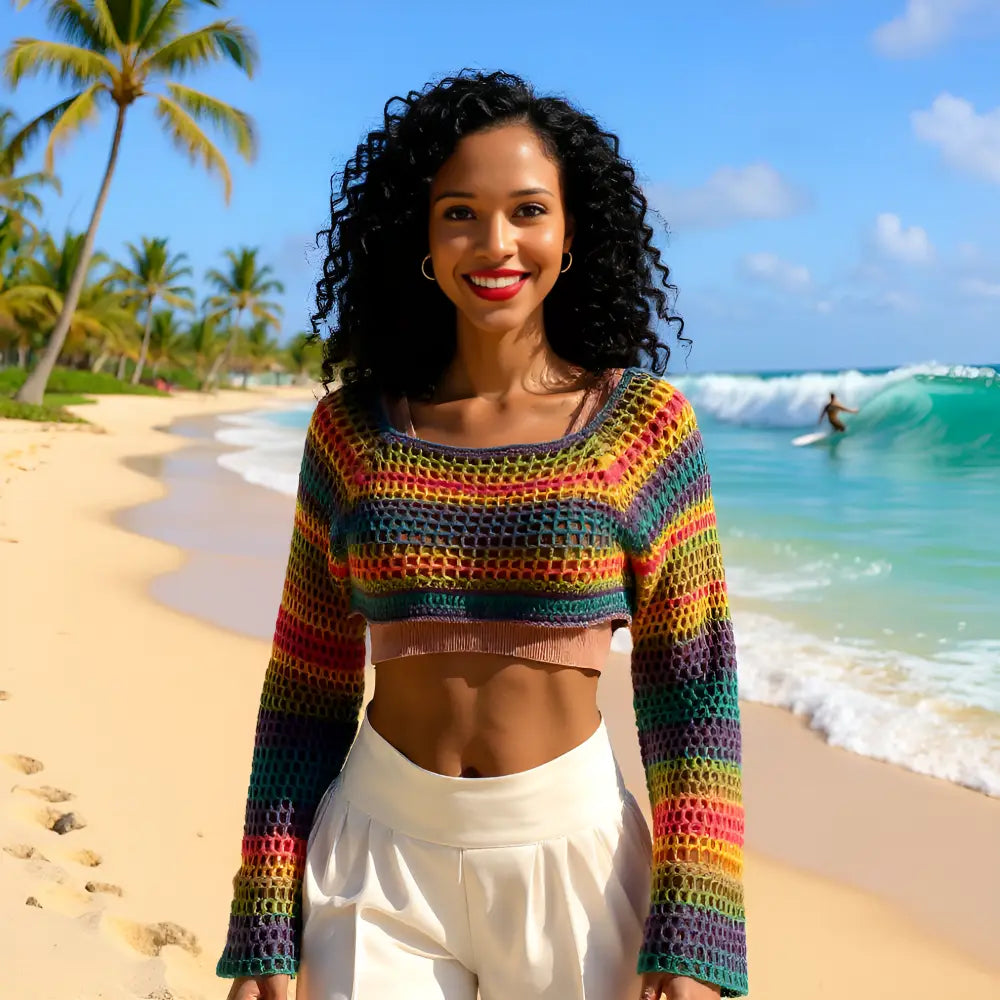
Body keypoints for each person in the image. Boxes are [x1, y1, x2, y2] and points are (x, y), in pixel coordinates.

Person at [216, 71, 747, 1000]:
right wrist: (264, 913)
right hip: (373, 859)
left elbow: (692, 685)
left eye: (528, 211)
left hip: (573, 865)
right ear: (419, 236)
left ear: (572, 233)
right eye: (459, 212)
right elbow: (306, 682)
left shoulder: (645, 427)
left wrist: (697, 925)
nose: (495, 243)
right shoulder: (351, 432)